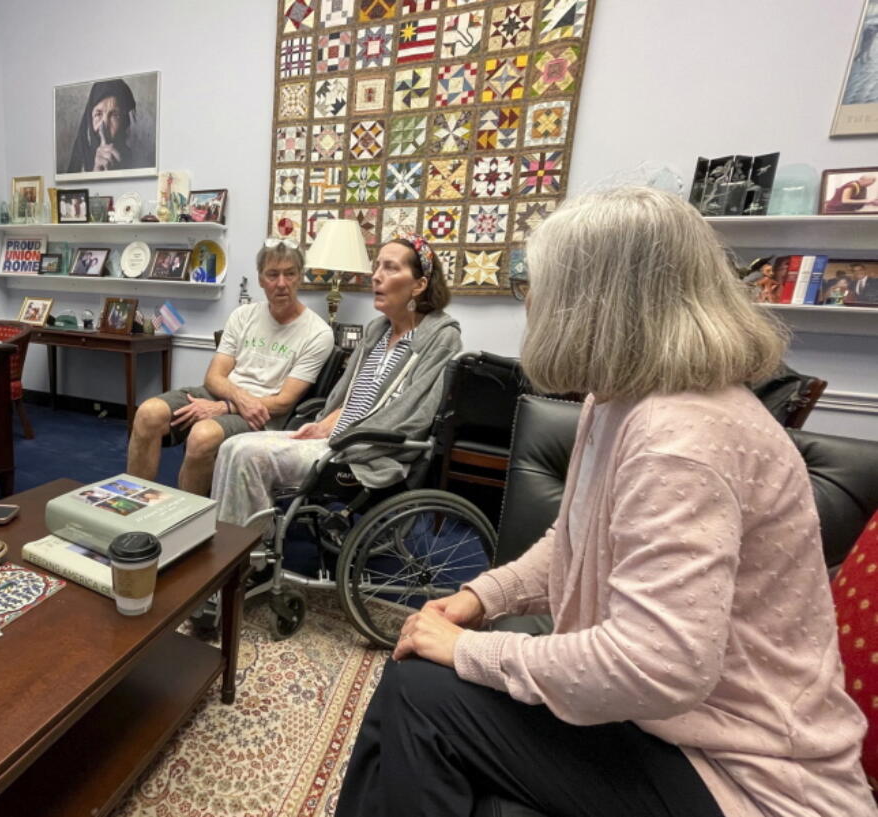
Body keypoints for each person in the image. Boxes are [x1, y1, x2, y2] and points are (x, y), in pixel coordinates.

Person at [335, 188, 875, 817]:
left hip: (745, 776)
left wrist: (473, 650)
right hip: (673, 728)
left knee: (422, 694)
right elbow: (573, 537)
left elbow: (660, 665)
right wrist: (483, 596)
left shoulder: (682, 438)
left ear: (596, 301)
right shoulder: (617, 400)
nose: (530, 300)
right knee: (414, 683)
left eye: (537, 283)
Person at [211, 234, 460, 529]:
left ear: (419, 285)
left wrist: (347, 440)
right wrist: (323, 422)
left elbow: (415, 415)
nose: (376, 276)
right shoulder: (377, 331)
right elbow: (348, 399)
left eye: (391, 268)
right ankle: (235, 548)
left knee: (247, 456)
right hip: (334, 440)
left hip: (365, 454)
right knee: (233, 446)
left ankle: (248, 557)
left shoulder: (441, 338)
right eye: (377, 266)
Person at [126, 239, 334, 496]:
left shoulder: (318, 333)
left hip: (264, 415)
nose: (282, 283)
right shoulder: (242, 315)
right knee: (148, 413)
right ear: (260, 279)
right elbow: (214, 377)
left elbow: (283, 402)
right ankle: (134, 501)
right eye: (273, 274)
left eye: (290, 274)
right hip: (223, 394)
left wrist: (225, 407)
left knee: (202, 435)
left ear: (300, 277)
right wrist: (233, 399)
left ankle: (191, 520)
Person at [66, 79, 140, 174]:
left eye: (114, 115)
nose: (103, 126)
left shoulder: (132, 161)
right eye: (98, 114)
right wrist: (96, 172)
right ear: (90, 118)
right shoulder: (81, 156)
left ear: (123, 121)